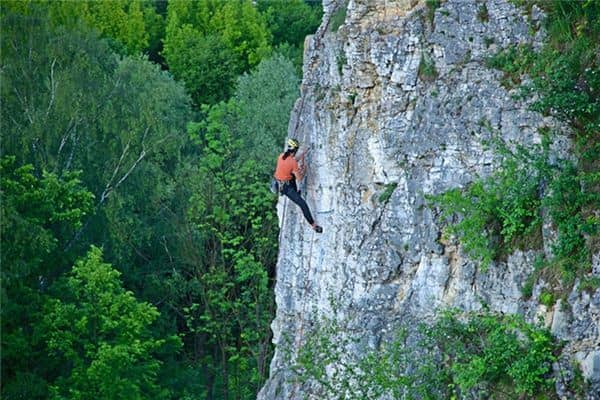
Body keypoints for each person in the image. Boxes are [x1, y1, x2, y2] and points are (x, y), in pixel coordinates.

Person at [274, 139, 323, 233]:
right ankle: (313, 225)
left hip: (279, 182)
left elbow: (291, 163)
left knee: (291, 176)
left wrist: (303, 154)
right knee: (302, 204)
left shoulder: (281, 156)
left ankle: (296, 193)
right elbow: (300, 178)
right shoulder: (293, 163)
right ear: (295, 150)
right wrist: (304, 170)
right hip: (285, 188)